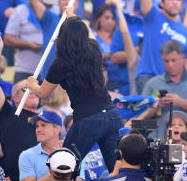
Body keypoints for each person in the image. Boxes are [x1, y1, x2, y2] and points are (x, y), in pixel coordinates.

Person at [25, 11, 123, 173]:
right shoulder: (93, 48)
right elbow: (88, 32)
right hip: (112, 115)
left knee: (63, 167)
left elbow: (42, 93)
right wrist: (73, 16)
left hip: (89, 119)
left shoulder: (60, 64)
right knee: (117, 169)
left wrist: (31, 84)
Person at [134, 0, 187, 91]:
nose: (174, 2)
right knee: (157, 109)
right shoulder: (153, 16)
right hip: (149, 77)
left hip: (174, 82)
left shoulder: (185, 31)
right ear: (161, 3)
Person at [0, 34, 38, 180]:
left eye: (34, 89)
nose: (31, 92)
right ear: (14, 98)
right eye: (25, 89)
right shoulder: (8, 114)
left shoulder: (47, 118)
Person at [141, 41, 187, 140]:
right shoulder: (152, 84)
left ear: (183, 58)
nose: (170, 64)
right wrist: (155, 106)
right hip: (159, 140)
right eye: (166, 61)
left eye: (173, 60)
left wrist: (180, 102)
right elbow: (140, 116)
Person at [91, 0, 138, 94]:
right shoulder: (92, 35)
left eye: (113, 18)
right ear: (99, 18)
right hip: (100, 79)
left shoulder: (119, 36)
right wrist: (108, 55)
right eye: (107, 18)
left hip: (120, 78)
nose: (110, 22)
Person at [19, 109, 64, 181]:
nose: (38, 130)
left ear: (57, 129)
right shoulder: (27, 155)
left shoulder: (70, 152)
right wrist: (55, 171)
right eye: (37, 126)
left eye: (43, 125)